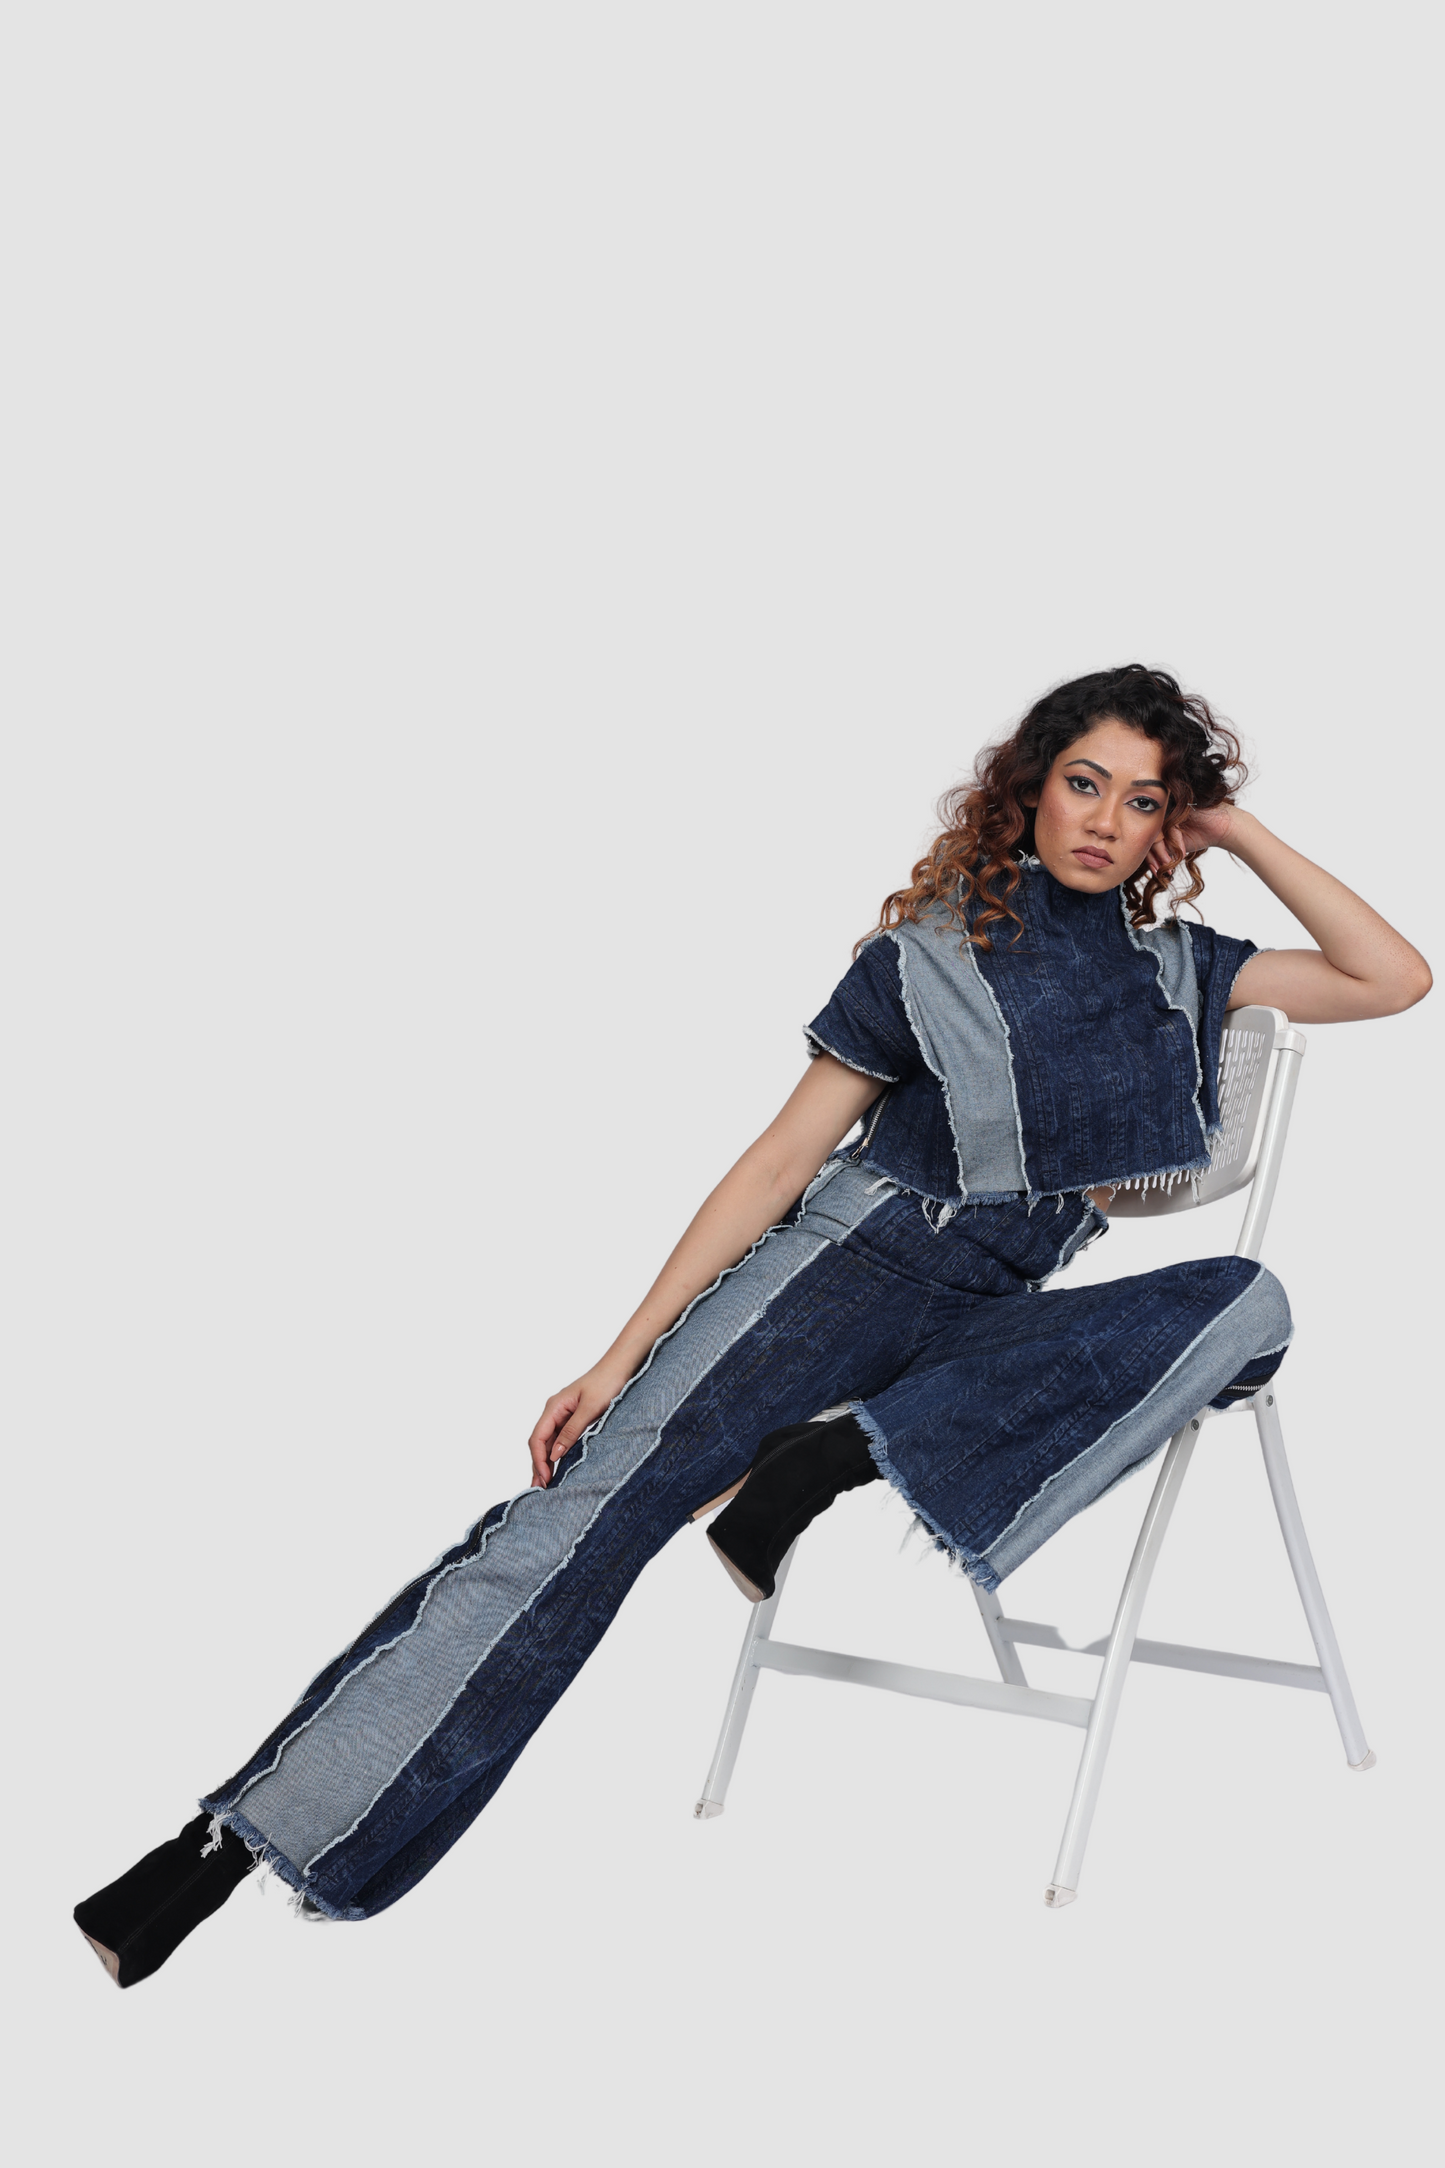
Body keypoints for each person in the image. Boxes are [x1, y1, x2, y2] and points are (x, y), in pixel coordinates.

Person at [74, 665, 1431, 1986]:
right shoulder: (924, 959)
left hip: (993, 1319)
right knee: (574, 1533)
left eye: (1143, 802)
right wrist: (616, 1358)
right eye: (1085, 783)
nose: (1105, 820)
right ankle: (229, 1846)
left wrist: (1234, 828)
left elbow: (1393, 978)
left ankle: (838, 1454)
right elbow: (780, 1164)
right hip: (837, 1280)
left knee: (1248, 1301)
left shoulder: (1184, 972)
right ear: (1028, 789)